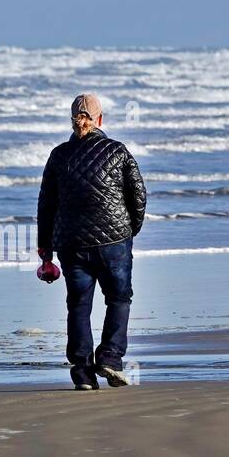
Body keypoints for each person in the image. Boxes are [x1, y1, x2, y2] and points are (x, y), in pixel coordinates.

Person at [36, 93, 147, 390]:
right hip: (114, 241)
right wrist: (130, 229)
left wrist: (44, 248)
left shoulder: (59, 155)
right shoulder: (117, 151)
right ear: (100, 119)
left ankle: (83, 371)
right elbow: (138, 195)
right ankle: (110, 358)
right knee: (119, 298)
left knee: (79, 306)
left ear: (73, 119)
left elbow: (46, 204)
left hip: (71, 246)